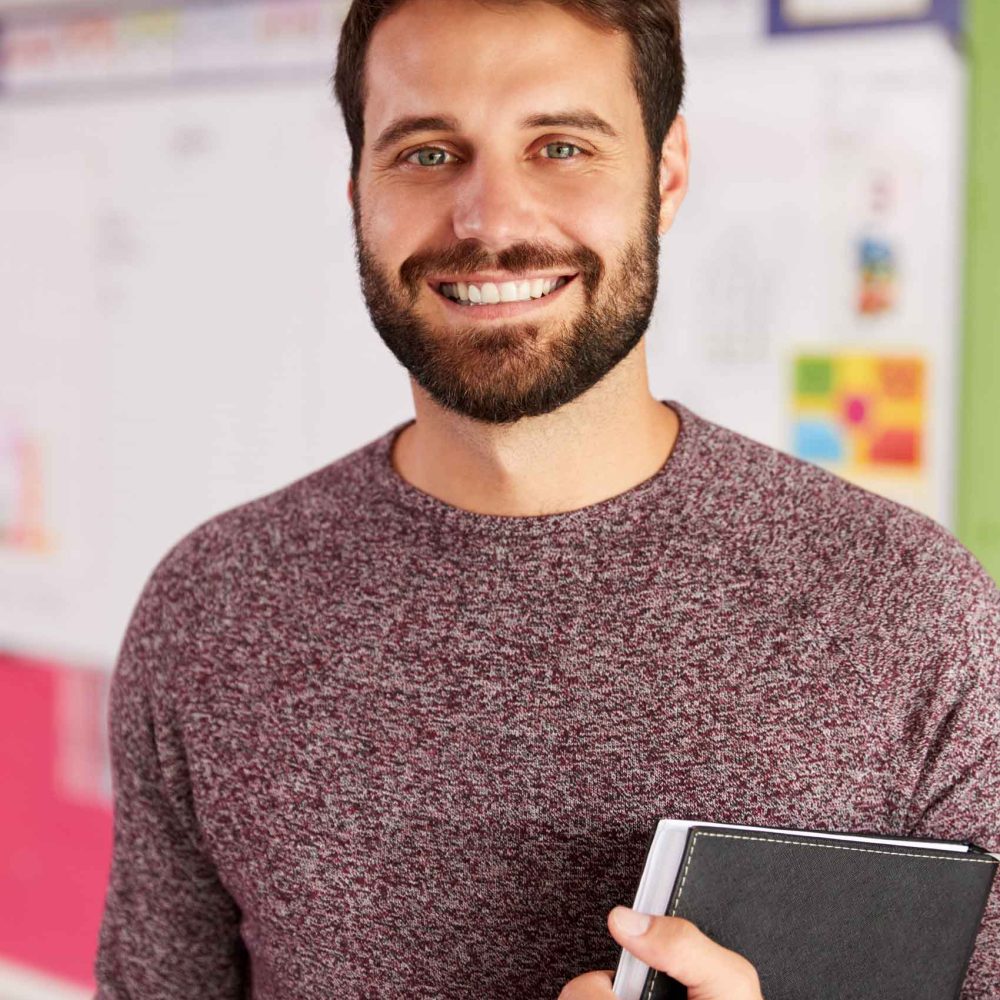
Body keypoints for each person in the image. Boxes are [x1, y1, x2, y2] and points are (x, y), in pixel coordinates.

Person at [93, 1, 999, 997]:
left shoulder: (911, 610)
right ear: (357, 192)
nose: (490, 219)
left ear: (666, 173)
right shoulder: (211, 609)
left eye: (560, 146)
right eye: (428, 154)